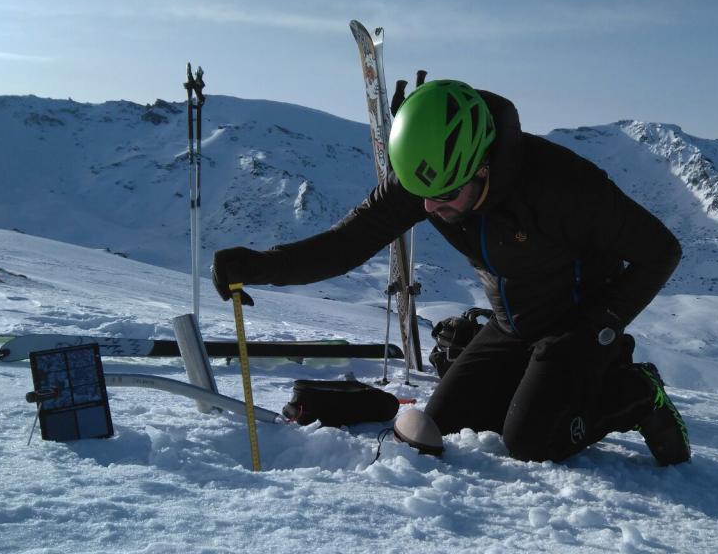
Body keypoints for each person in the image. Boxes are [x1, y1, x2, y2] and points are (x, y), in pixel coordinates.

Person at [212, 80, 690, 466]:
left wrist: (601, 325)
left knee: (530, 444)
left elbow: (661, 252)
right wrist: (260, 265)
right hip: (511, 322)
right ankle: (539, 387)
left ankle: (636, 391)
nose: (428, 207)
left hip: (576, 325)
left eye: (444, 197)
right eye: (422, 194)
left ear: (484, 168)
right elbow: (346, 243)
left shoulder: (564, 187)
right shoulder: (431, 176)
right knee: (443, 424)